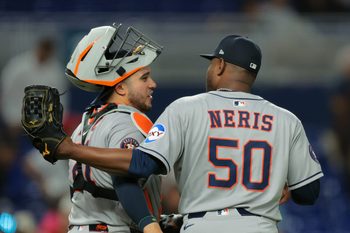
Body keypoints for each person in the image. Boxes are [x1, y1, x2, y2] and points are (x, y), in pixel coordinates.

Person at [34, 35, 323, 233]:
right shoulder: (288, 120)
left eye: (212, 62)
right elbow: (308, 193)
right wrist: (279, 184)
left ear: (220, 65)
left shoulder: (186, 109)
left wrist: (66, 149)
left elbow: (140, 165)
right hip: (261, 226)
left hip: (202, 226)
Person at [63, 24, 164, 233]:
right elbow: (124, 178)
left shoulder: (84, 124)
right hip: (113, 228)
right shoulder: (126, 120)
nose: (152, 84)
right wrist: (149, 225)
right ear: (120, 87)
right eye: (144, 78)